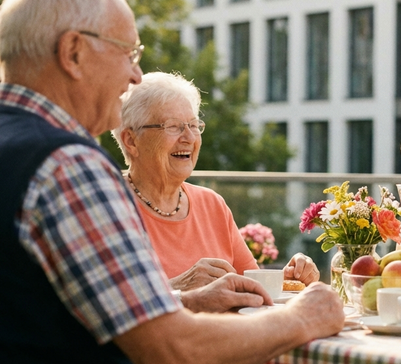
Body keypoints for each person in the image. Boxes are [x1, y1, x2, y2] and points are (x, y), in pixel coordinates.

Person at [0, 0, 343, 364]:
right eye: (128, 52)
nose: (134, 75)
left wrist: (188, 301)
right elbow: (172, 351)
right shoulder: (67, 164)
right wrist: (301, 318)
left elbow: (57, 313)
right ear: (73, 53)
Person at [111, 72, 319, 290]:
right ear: (131, 141)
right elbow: (110, 306)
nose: (189, 137)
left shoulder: (212, 204)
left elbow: (251, 289)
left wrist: (288, 279)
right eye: (173, 126)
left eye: (193, 125)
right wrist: (180, 287)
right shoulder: (110, 207)